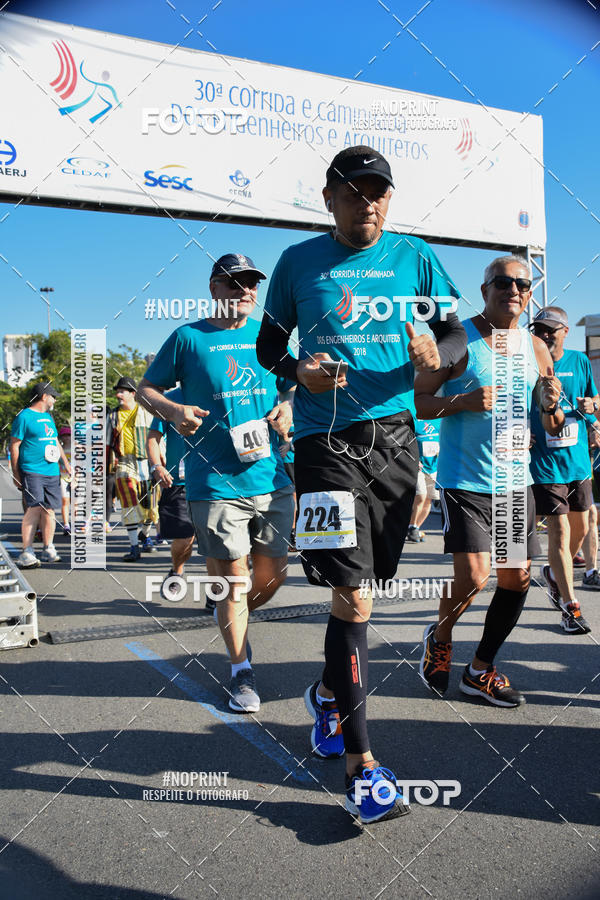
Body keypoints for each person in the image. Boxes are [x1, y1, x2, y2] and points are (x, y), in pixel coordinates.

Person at [256, 145, 467, 824]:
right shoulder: (296, 264)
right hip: (322, 445)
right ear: (328, 199)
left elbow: (459, 338)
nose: (367, 203)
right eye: (353, 192)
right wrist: (297, 373)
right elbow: (268, 349)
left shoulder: (417, 259)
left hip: (397, 445)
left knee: (362, 596)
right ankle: (362, 765)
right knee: (352, 595)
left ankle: (325, 693)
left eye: (378, 192)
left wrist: (441, 354)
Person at [138, 253, 295, 714]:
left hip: (271, 475)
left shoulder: (270, 336)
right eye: (234, 282)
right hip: (215, 482)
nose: (244, 290)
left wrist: (286, 405)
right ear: (213, 288)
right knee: (234, 583)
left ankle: (233, 612)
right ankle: (240, 669)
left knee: (272, 575)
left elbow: (294, 383)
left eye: (251, 283)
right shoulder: (188, 338)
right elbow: (148, 389)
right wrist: (172, 411)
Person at [416, 256, 564, 706]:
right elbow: (420, 403)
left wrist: (550, 405)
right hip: (466, 478)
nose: (513, 289)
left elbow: (553, 423)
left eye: (522, 283)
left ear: (529, 293)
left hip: (514, 482)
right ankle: (440, 637)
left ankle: (480, 669)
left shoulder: (536, 349)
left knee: (516, 578)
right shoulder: (460, 338)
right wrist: (462, 401)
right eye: (502, 282)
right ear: (484, 291)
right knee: (476, 577)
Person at [529, 306, 599, 633]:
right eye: (538, 329)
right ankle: (570, 608)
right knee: (559, 531)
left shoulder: (580, 361)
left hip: (578, 462)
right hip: (544, 463)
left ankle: (556, 573)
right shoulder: (527, 363)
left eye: (550, 330)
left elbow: (594, 403)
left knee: (581, 529)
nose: (543, 335)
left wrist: (594, 407)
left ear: (564, 331)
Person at [10, 381, 71, 568]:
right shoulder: (24, 417)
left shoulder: (48, 417)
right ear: (44, 397)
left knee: (50, 510)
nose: (54, 400)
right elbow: (14, 445)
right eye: (52, 396)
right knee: (34, 508)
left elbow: (55, 441)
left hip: (51, 471)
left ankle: (48, 548)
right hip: (32, 470)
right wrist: (15, 472)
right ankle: (26, 551)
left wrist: (66, 464)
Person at [146, 387, 196, 601]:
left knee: (218, 539)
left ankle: (218, 592)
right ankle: (177, 570)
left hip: (215, 479)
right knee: (185, 537)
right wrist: (157, 466)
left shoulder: (216, 388)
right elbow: (153, 438)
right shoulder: (170, 399)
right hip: (179, 481)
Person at [106, 376, 158, 561]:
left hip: (148, 462)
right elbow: (106, 444)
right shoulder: (112, 416)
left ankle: (145, 534)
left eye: (122, 391)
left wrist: (161, 462)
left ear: (133, 394)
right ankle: (134, 546)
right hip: (124, 462)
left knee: (152, 505)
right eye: (117, 391)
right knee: (128, 498)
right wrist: (105, 469)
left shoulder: (147, 412)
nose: (118, 394)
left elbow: (159, 438)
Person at [407, 418, 440, 542]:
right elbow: (406, 443)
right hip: (419, 468)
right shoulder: (414, 422)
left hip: (434, 468)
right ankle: (411, 526)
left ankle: (415, 528)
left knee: (428, 500)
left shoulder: (439, 421)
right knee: (421, 495)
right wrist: (414, 459)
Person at [58, 425, 72, 536]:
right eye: (64, 435)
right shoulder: (58, 449)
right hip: (63, 477)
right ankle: (66, 525)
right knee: (65, 501)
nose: (67, 437)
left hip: (76, 478)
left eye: (69, 435)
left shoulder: (77, 448)